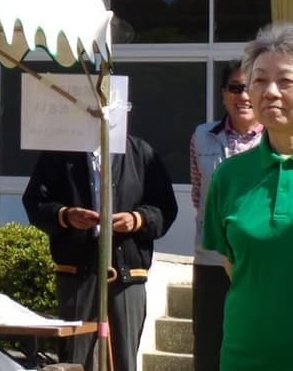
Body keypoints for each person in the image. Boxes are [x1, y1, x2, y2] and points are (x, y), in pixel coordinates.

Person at [202, 22, 293, 371]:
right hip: (246, 357)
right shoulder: (229, 176)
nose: (268, 92)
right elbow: (238, 268)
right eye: (258, 80)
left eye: (286, 81)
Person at [22, 132, 178, 371]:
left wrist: (138, 219)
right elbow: (35, 202)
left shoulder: (141, 152)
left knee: (124, 358)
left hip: (127, 272)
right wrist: (65, 215)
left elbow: (165, 207)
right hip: (77, 271)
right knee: (74, 357)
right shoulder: (60, 153)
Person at [187, 60, 262, 371]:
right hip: (211, 258)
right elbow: (197, 193)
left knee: (256, 341)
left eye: (249, 88)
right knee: (208, 344)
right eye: (235, 88)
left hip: (258, 259)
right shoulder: (202, 136)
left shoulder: (275, 140)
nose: (243, 96)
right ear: (223, 94)